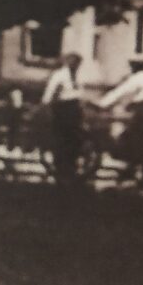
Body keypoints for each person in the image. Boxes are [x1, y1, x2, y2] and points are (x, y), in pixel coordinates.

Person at [98, 57, 143, 172]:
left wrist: (102, 104)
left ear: (134, 67)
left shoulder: (138, 78)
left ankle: (137, 167)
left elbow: (120, 92)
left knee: (133, 136)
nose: (131, 69)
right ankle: (136, 167)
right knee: (135, 136)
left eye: (132, 66)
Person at [42, 53, 88, 190]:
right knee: (62, 142)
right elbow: (49, 94)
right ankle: (60, 173)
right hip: (63, 110)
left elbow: (81, 94)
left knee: (75, 142)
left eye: (78, 63)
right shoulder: (59, 75)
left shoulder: (78, 77)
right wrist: (49, 108)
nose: (76, 65)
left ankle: (71, 172)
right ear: (67, 62)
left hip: (75, 111)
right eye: (73, 62)